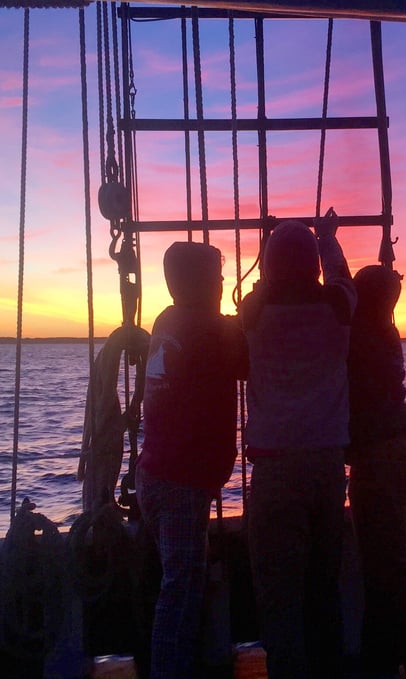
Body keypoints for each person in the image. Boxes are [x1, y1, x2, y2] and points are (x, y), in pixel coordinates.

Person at [241, 208, 356, 679]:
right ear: (313, 265)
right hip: (327, 464)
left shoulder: (255, 312)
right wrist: (327, 237)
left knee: (279, 592)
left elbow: (261, 287)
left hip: (275, 467)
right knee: (323, 584)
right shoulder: (338, 308)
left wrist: (268, 240)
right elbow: (343, 278)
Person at [136, 241, 248, 679]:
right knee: (180, 592)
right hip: (182, 481)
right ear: (201, 282)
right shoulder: (208, 328)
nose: (222, 284)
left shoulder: (168, 319)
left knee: (175, 584)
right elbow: (250, 362)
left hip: (156, 472)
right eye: (217, 278)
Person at [346, 265, 406, 679]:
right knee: (385, 568)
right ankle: (378, 663)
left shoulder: (355, 333)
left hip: (379, 462)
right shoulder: (384, 332)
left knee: (390, 573)